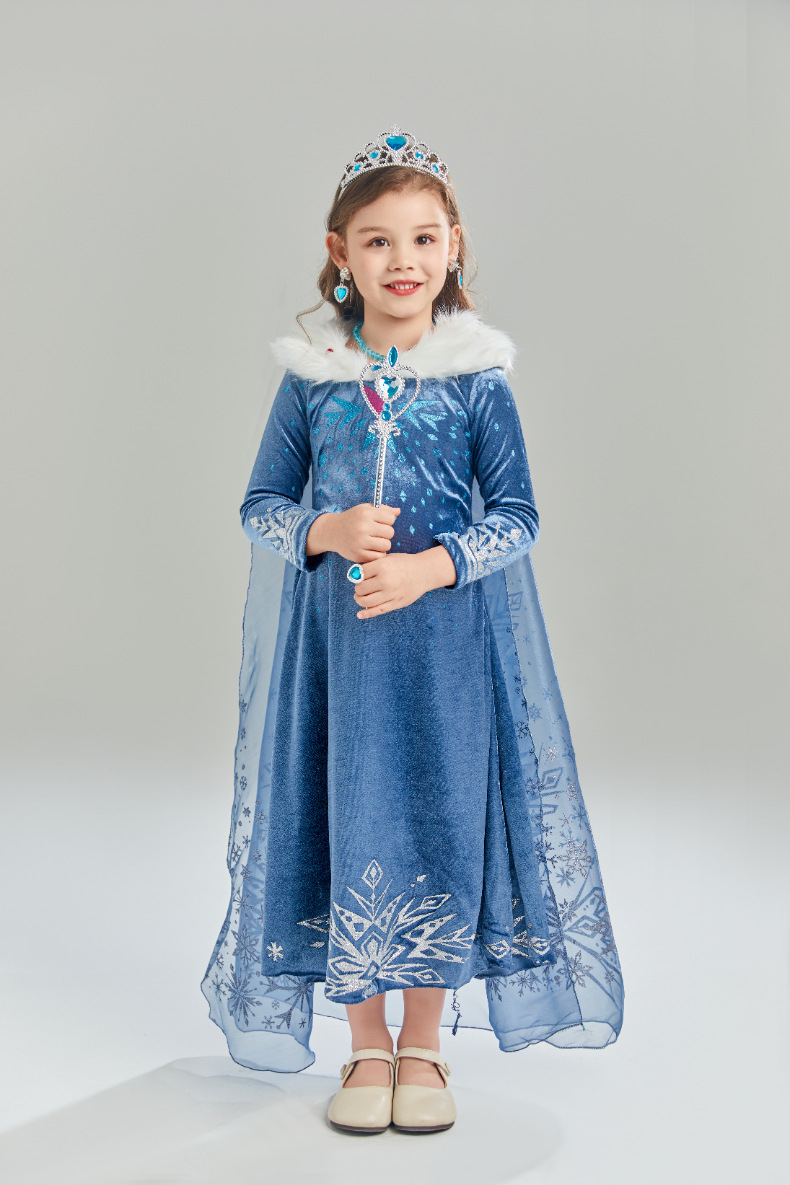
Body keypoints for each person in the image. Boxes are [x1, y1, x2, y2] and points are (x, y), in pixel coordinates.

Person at [201, 125, 624, 1135]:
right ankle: (365, 1044)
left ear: (454, 247)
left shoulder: (476, 378)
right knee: (346, 812)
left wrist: (433, 566)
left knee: (440, 816)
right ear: (340, 254)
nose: (404, 261)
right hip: (338, 662)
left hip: (447, 661)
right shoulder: (314, 379)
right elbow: (261, 502)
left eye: (424, 239)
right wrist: (326, 530)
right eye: (379, 240)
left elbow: (517, 516)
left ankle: (424, 1042)